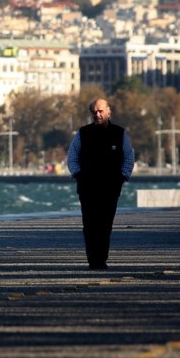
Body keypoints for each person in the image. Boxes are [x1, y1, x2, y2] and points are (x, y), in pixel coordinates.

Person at [66, 98, 135, 270]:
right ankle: (93, 258)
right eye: (94, 112)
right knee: (89, 224)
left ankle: (101, 257)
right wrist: (78, 175)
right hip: (87, 187)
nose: (97, 114)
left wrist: (123, 176)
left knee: (105, 224)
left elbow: (129, 157)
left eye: (100, 111)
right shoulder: (83, 133)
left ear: (109, 112)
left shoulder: (120, 133)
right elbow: (72, 157)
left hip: (111, 187)